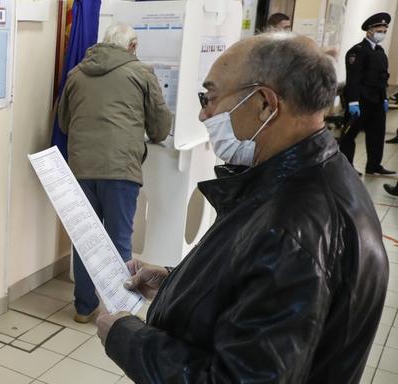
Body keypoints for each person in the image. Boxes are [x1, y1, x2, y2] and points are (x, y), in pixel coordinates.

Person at [96, 33, 387, 383]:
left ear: (265, 103)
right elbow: (251, 291)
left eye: (211, 97)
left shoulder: (293, 230)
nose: (204, 113)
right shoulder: (306, 178)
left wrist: (126, 338)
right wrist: (176, 283)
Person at [57, 23, 172, 323]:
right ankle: (119, 311)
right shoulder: (141, 73)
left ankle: (83, 308)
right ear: (132, 46)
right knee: (119, 239)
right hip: (121, 169)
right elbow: (160, 128)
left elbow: (64, 123)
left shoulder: (76, 73)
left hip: (81, 167)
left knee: (85, 239)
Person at [340, 13, 395, 175]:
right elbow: (353, 78)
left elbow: (383, 78)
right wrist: (352, 102)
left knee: (377, 134)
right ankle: (346, 167)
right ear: (369, 31)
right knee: (349, 135)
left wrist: (384, 98)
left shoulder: (380, 51)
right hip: (361, 100)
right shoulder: (357, 51)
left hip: (377, 100)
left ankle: (374, 165)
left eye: (385, 30)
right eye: (380, 30)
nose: (382, 33)